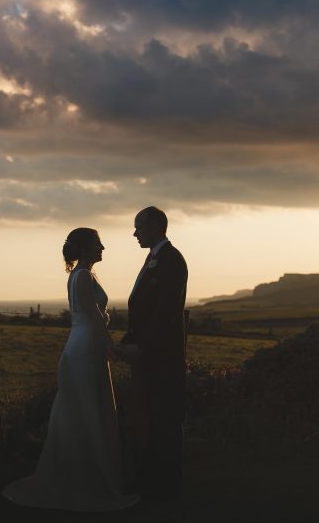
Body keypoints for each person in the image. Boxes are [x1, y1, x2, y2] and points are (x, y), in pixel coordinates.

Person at [2, 228, 139, 512]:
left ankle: (91, 476)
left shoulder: (82, 275)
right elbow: (93, 319)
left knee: (85, 408)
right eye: (99, 243)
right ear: (87, 248)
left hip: (84, 343)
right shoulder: (82, 276)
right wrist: (113, 348)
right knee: (87, 409)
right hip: (86, 347)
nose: (104, 247)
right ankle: (88, 481)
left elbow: (92, 315)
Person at [116, 207, 188, 500]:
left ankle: (165, 487)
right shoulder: (153, 258)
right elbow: (144, 311)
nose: (135, 234)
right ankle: (149, 480)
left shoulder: (172, 259)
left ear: (156, 226)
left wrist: (141, 346)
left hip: (162, 356)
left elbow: (165, 313)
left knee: (164, 419)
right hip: (148, 354)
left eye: (139, 228)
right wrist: (128, 339)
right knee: (147, 418)